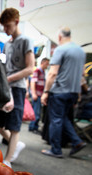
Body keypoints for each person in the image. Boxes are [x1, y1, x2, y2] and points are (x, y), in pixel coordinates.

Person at [0, 8, 35, 168]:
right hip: (5, 88)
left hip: (17, 88)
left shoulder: (26, 40)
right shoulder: (7, 43)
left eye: (8, 25)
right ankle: (16, 144)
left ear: (16, 22)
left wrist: (8, 78)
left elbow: (31, 68)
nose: (5, 29)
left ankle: (7, 161)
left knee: (14, 127)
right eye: (3, 26)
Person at [41, 27, 87, 158]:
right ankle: (77, 142)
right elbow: (82, 74)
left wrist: (46, 92)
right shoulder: (80, 51)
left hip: (59, 91)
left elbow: (53, 73)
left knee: (55, 120)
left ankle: (56, 149)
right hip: (73, 91)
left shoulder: (60, 49)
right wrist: (77, 93)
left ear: (60, 37)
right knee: (64, 118)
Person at [28, 58, 49, 133]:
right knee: (36, 112)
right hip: (37, 94)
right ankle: (33, 127)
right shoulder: (37, 71)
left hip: (40, 94)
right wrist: (34, 94)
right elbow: (33, 82)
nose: (48, 65)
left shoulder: (42, 71)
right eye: (47, 63)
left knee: (37, 112)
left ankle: (34, 126)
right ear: (42, 63)